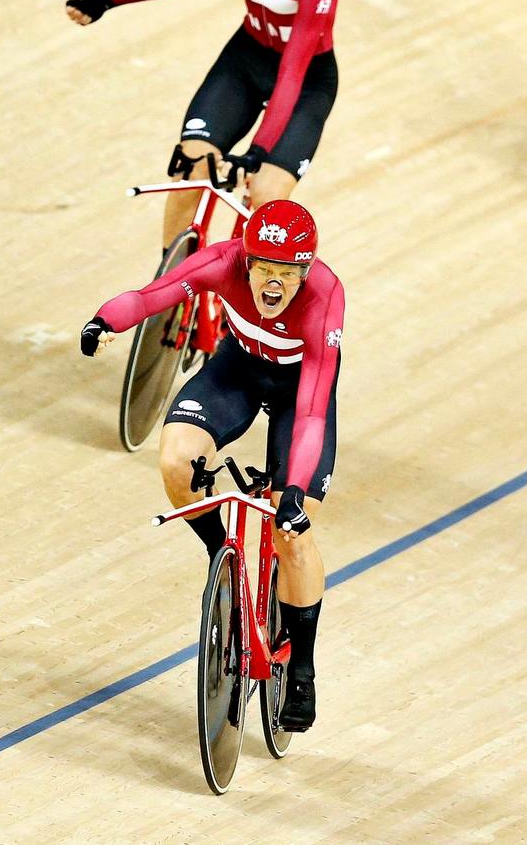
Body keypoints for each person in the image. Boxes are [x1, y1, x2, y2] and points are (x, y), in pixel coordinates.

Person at [80, 200, 345, 732]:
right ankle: (216, 555)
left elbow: (314, 408)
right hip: (237, 372)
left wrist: (293, 489)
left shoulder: (324, 296)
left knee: (292, 532)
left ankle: (304, 670)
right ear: (246, 263)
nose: (272, 286)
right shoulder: (223, 261)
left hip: (300, 396)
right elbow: (154, 295)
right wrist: (105, 319)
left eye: (285, 274)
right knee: (176, 458)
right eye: (263, 270)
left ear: (306, 270)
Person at [66, 0, 343, 252]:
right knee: (192, 167)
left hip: (303, 82)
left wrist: (260, 150)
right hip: (245, 61)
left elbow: (294, 65)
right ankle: (170, 282)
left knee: (265, 194)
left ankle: (241, 298)